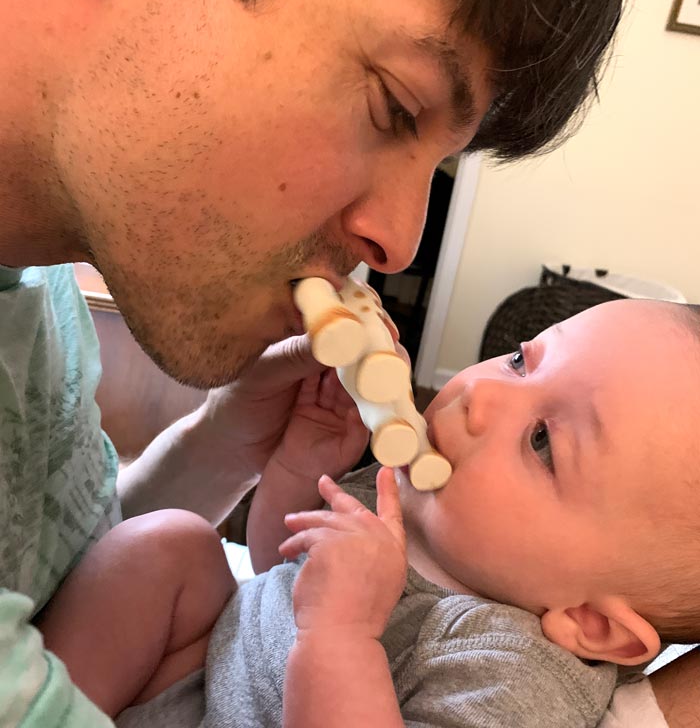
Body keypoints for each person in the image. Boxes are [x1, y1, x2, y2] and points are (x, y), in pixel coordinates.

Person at [0, 0, 645, 724]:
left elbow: (52, 572)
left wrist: (227, 442)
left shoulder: (36, 301)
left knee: (165, 543)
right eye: (394, 105)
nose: (401, 241)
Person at [37, 298, 700, 727]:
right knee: (167, 546)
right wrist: (306, 462)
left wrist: (342, 637)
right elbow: (277, 567)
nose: (480, 396)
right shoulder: (414, 502)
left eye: (543, 441)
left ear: (592, 624)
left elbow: (320, 618)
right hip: (202, 678)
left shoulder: (516, 674)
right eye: (520, 360)